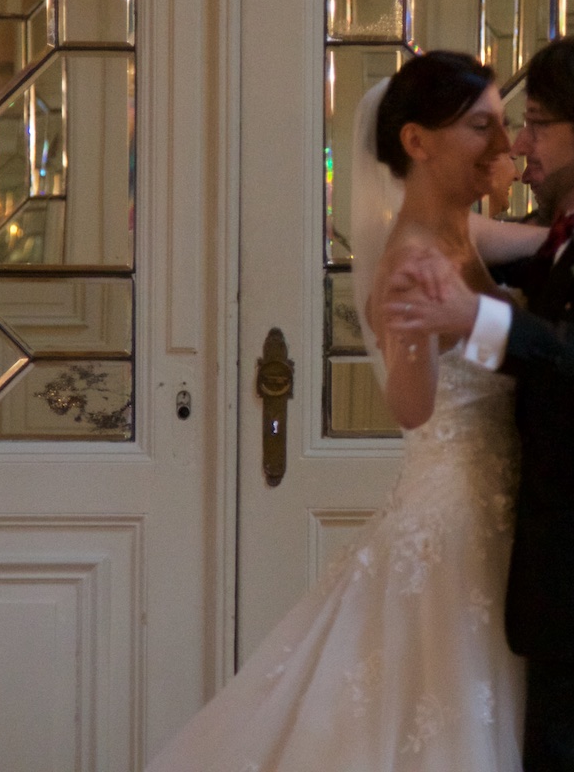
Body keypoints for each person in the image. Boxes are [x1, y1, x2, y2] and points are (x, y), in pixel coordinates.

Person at [144, 51, 546, 772]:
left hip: (504, 506)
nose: (504, 142)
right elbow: (413, 408)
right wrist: (421, 337)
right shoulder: (409, 259)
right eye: (480, 126)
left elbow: (556, 250)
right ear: (418, 142)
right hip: (455, 519)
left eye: (504, 123)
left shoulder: (467, 233)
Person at [385, 36, 574, 772]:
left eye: (537, 124)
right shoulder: (570, 239)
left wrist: (475, 318)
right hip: (563, 593)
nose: (518, 145)